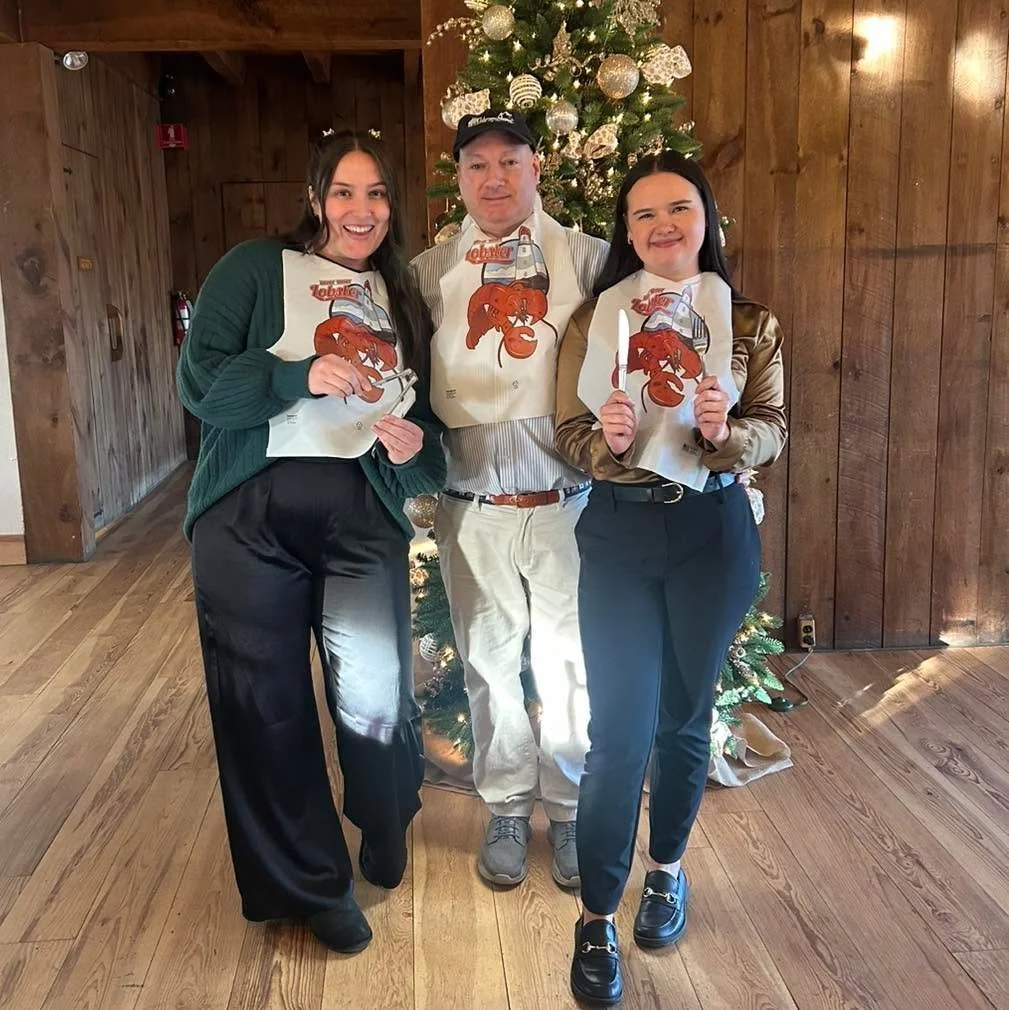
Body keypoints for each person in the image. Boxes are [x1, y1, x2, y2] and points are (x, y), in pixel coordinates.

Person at [177, 129, 446, 955]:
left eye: (376, 194)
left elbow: (426, 437)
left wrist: (413, 450)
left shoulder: (401, 297)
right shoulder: (255, 268)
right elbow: (200, 383)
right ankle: (309, 887)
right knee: (264, 707)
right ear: (314, 198)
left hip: (361, 519)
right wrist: (297, 375)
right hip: (244, 520)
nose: (360, 211)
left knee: (375, 693)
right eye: (343, 192)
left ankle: (384, 813)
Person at [554, 150, 787, 1006]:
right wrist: (606, 442)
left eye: (677, 208)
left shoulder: (748, 323)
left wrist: (728, 434)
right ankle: (594, 918)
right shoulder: (596, 318)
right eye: (643, 213)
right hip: (618, 531)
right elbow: (567, 433)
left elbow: (774, 428)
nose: (661, 225)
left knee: (685, 721)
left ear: (706, 220)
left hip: (711, 532)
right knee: (617, 735)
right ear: (626, 230)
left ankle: (666, 870)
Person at [411, 110, 608, 889]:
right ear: (459, 177)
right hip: (472, 508)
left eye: (508, 161)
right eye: (476, 165)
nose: (493, 178)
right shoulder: (428, 274)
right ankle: (504, 806)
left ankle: (569, 809)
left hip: (567, 503)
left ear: (536, 167)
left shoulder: (589, 260)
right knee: (489, 668)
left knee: (570, 669)